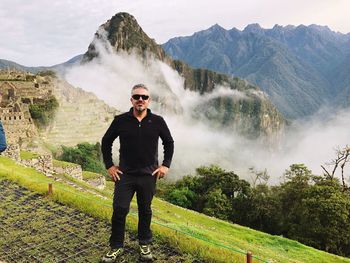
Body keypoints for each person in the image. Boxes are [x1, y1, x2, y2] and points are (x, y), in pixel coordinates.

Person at [101, 84, 174, 262]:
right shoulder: (120, 120)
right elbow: (106, 141)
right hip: (125, 174)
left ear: (149, 101)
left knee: (145, 210)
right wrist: (110, 165)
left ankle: (144, 244)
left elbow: (169, 142)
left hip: (148, 175)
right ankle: (116, 246)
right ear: (131, 100)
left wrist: (165, 165)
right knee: (119, 209)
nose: (140, 99)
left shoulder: (157, 121)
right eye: (136, 97)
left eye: (144, 97)